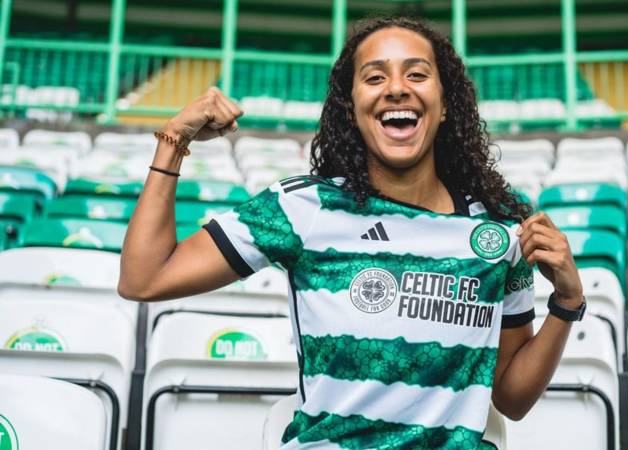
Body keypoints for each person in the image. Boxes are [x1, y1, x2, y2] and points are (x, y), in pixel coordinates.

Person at [119, 16, 585, 449]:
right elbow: (145, 278)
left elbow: (512, 400)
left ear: (445, 105)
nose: (397, 88)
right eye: (375, 77)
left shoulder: (499, 231)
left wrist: (567, 302)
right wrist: (173, 141)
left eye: (417, 74)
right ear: (352, 108)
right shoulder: (301, 208)